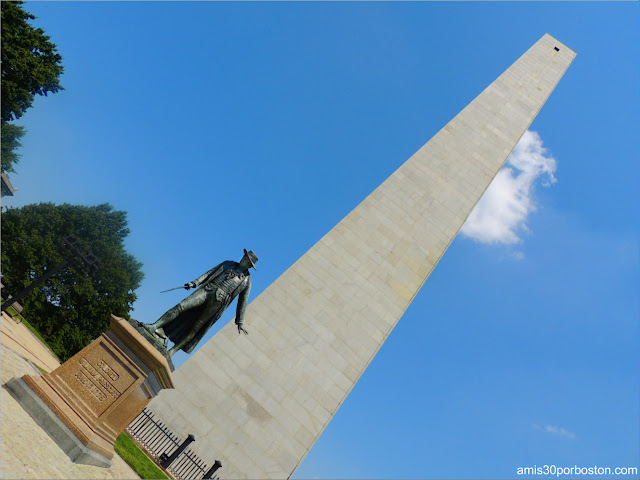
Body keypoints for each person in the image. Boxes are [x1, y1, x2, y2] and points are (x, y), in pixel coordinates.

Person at [145, 249, 258, 356]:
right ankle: (154, 326)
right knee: (181, 306)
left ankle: (172, 351)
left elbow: (242, 302)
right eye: (245, 257)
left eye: (247, 260)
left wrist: (240, 321)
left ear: (250, 265)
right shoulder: (228, 263)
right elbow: (210, 273)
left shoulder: (247, 282)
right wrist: (194, 282)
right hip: (207, 289)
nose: (244, 259)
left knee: (196, 328)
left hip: (218, 303)